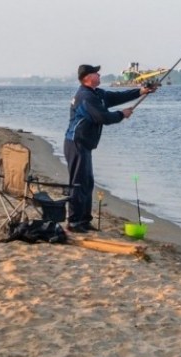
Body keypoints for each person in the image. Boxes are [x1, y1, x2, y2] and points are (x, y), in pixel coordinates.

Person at [64, 63, 156, 232]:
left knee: (88, 183)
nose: (99, 75)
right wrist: (122, 114)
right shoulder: (85, 97)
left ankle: (84, 220)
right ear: (88, 77)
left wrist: (141, 91)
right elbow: (102, 117)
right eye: (96, 73)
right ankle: (74, 222)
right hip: (76, 143)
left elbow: (115, 98)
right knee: (78, 183)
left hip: (84, 144)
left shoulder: (96, 93)